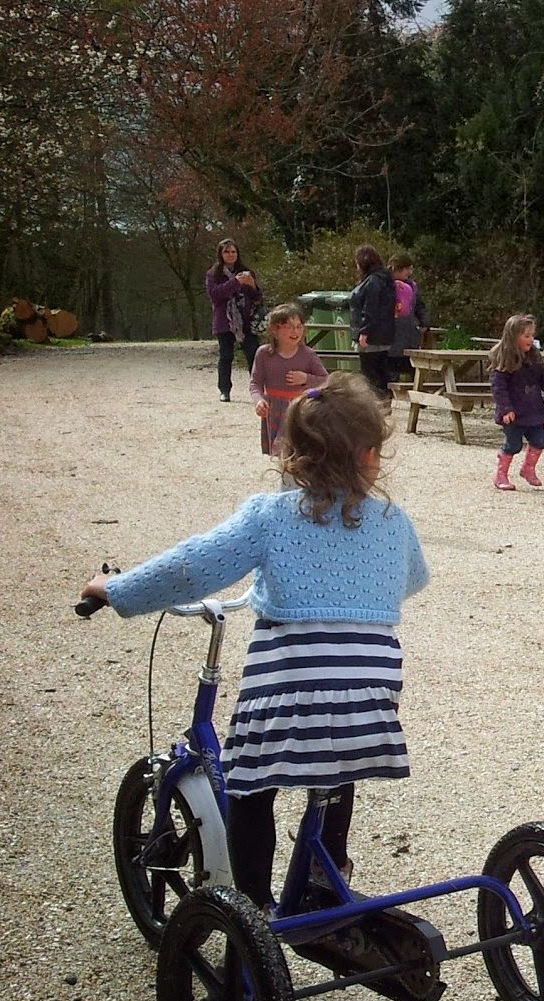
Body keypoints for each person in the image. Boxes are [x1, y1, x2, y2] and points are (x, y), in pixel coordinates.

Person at [79, 373, 429, 908]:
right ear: (370, 454)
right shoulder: (392, 521)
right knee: (333, 766)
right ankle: (322, 871)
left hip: (288, 692)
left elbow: (191, 566)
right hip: (371, 700)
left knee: (248, 783)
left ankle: (252, 909)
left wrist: (116, 589)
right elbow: (413, 579)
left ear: (293, 454)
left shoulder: (270, 516)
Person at [488, 312, 544, 491]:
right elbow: (499, 388)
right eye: (526, 335)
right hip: (513, 413)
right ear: (513, 337)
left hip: (533, 409)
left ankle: (528, 468)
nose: (531, 339)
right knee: (513, 444)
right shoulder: (505, 362)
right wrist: (506, 409)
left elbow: (543, 375)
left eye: (532, 335)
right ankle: (501, 474)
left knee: (540, 439)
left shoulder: (534, 357)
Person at [250, 302, 329, 456]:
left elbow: (326, 380)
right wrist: (258, 401)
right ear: (275, 330)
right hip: (274, 412)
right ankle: (285, 479)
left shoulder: (308, 355)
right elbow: (255, 383)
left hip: (299, 410)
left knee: (299, 451)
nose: (295, 331)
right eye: (289, 327)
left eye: (299, 326)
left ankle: (297, 479)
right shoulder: (264, 354)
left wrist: (306, 378)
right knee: (281, 454)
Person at [206, 238, 264, 402]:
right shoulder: (213, 274)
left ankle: (258, 389)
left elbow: (258, 298)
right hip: (225, 320)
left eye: (233, 252)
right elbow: (215, 295)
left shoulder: (247, 271)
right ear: (220, 254)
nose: (230, 255)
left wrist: (252, 285)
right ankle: (224, 389)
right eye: (226, 252)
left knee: (254, 354)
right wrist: (235, 282)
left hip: (245, 321)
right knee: (226, 356)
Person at [349, 244, 397, 407]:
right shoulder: (384, 280)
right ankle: (382, 406)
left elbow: (371, 308)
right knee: (380, 373)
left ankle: (375, 408)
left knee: (371, 374)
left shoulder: (373, 282)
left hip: (372, 335)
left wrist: (364, 331)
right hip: (384, 334)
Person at [387, 252, 430, 383]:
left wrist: (424, 322)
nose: (410, 272)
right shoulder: (384, 285)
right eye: (408, 268)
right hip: (390, 338)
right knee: (391, 376)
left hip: (409, 337)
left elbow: (420, 307)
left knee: (414, 374)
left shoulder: (412, 287)